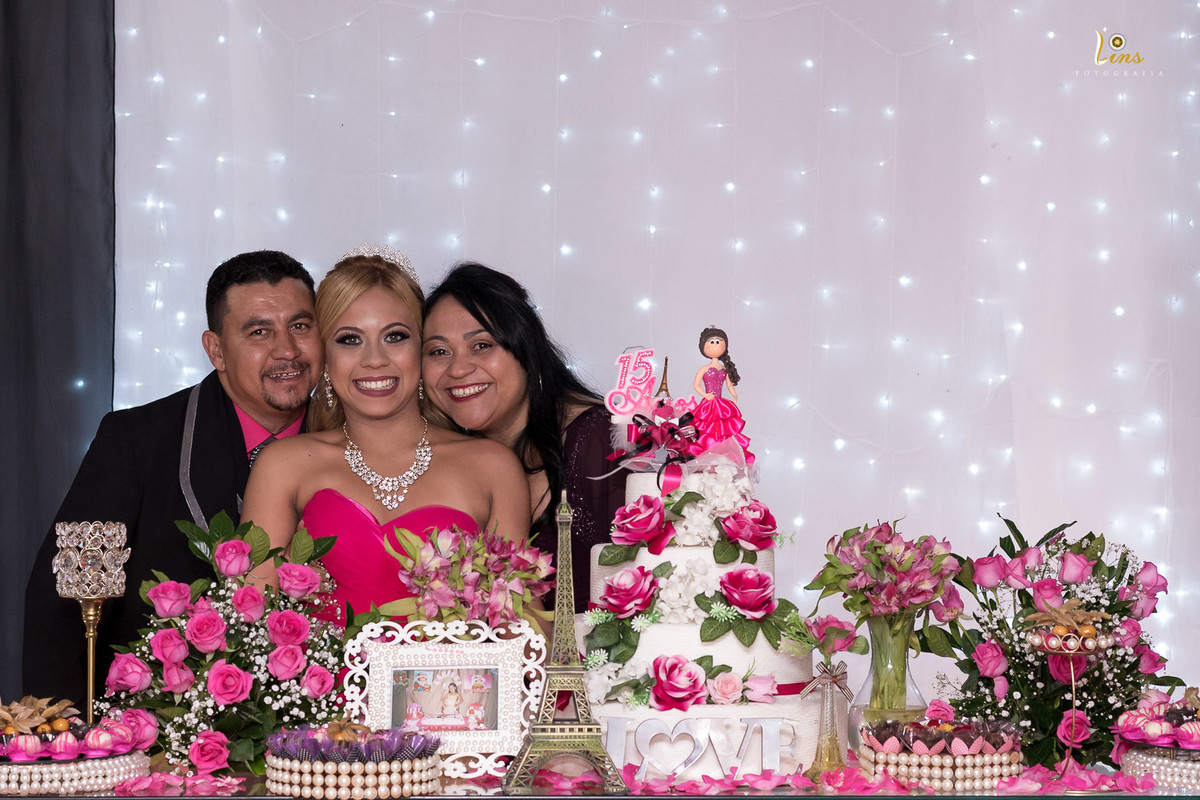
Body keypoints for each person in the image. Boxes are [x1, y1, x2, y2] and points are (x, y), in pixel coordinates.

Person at [23, 250, 320, 702]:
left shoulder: (354, 440)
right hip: (159, 733)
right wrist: (73, 744)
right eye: (260, 331)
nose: (287, 350)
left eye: (300, 326)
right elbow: (64, 601)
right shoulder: (136, 441)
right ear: (215, 349)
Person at [241, 246, 529, 623]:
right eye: (349, 339)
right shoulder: (283, 465)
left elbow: (519, 627)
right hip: (321, 681)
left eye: (395, 337)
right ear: (324, 356)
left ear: (422, 350)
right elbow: (248, 619)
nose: (374, 359)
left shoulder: (493, 467)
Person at [421, 262, 625, 612]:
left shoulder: (600, 443)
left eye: (481, 345)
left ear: (526, 349)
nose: (457, 369)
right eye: (439, 351)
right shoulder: (449, 462)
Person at [691, 326, 753, 463]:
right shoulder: (704, 368)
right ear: (703, 347)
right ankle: (707, 451)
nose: (715, 344)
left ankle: (722, 453)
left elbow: (729, 384)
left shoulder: (724, 369)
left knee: (723, 428)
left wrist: (734, 394)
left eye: (718, 341)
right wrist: (705, 395)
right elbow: (696, 385)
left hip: (721, 404)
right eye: (711, 342)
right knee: (708, 427)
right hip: (708, 403)